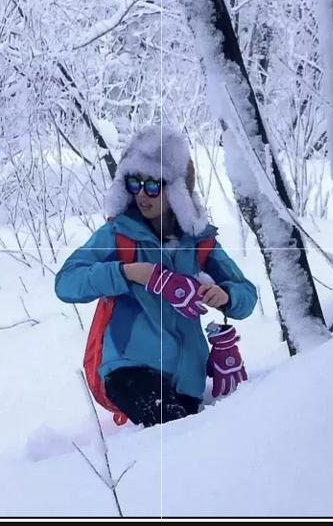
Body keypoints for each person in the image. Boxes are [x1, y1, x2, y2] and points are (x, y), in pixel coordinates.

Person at [55, 124, 257, 427]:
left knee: (187, 445)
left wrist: (226, 296)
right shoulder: (117, 234)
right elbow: (66, 282)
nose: (141, 194)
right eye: (134, 183)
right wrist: (129, 273)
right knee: (170, 431)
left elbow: (247, 296)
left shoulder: (199, 241)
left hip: (186, 379)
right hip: (129, 367)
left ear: (177, 190)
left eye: (152, 185)